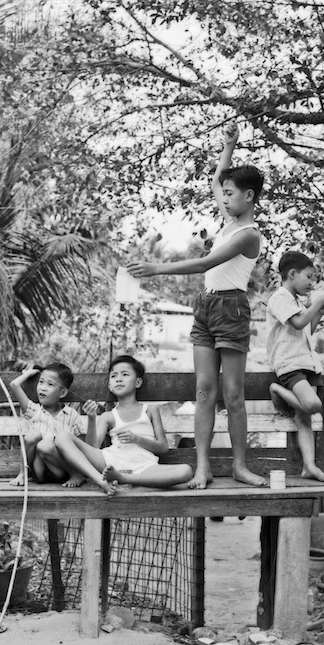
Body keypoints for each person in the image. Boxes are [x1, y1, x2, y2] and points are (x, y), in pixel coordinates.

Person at [127, 121, 264, 489]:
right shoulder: (229, 220)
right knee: (204, 391)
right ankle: (202, 467)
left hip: (232, 309)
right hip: (205, 307)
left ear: (248, 197)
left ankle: (239, 466)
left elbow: (206, 264)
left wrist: (157, 268)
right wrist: (229, 148)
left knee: (233, 394)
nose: (223, 197)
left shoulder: (248, 235)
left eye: (231, 194)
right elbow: (216, 179)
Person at [53, 355, 193, 491]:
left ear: (138, 382)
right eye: (114, 376)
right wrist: (91, 418)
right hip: (111, 461)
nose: (119, 379)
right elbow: (93, 447)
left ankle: (123, 478)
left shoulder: (150, 410)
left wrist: (136, 439)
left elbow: (163, 447)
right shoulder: (108, 416)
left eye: (125, 374)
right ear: (110, 386)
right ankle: (100, 480)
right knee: (61, 437)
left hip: (144, 466)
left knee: (185, 471)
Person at [266, 251, 324, 483]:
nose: (311, 283)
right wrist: (316, 303)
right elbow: (297, 323)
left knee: (303, 418)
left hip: (305, 364)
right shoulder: (279, 297)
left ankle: (309, 466)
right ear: (292, 274)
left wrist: (319, 311)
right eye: (308, 277)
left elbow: (307, 328)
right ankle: (277, 390)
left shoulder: (295, 301)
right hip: (289, 365)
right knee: (312, 405)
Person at [9, 362, 85, 488]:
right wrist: (29, 373)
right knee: (33, 435)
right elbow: (14, 385)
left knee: (46, 445)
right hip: (38, 471)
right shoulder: (33, 410)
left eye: (50, 384)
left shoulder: (71, 415)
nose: (42, 388)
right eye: (41, 382)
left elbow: (80, 446)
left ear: (62, 393)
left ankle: (76, 474)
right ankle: (23, 473)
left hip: (61, 470)